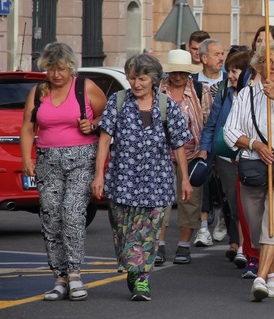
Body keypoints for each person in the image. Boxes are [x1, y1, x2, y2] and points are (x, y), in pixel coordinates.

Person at [91, 53, 193, 301]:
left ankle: (141, 279)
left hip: (157, 183)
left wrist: (185, 179)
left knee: (148, 232)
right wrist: (99, 175)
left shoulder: (167, 105)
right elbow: (104, 140)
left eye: (142, 78)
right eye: (133, 78)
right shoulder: (118, 101)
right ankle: (133, 269)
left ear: (154, 79)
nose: (136, 83)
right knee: (124, 230)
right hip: (122, 179)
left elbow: (179, 144)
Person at [19, 42, 107, 301]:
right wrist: (27, 157)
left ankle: (76, 273)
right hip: (48, 159)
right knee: (51, 217)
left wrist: (91, 124)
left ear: (71, 67)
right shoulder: (38, 92)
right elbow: (27, 127)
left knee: (72, 213)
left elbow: (107, 118)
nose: (56, 75)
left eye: (60, 69)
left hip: (82, 157)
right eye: (50, 69)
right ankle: (60, 277)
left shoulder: (85, 87)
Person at [223, 40, 274, 302]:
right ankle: (273, 276)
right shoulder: (245, 94)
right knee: (258, 228)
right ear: (259, 65)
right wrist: (255, 144)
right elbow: (230, 131)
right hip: (252, 166)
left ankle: (259, 278)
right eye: (268, 61)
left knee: (273, 221)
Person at [155, 50, 211, 265]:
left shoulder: (200, 90)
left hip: (192, 153)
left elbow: (207, 122)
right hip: (162, 155)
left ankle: (184, 246)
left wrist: (205, 150)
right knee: (161, 200)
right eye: (174, 72)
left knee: (190, 200)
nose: (177, 76)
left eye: (182, 72)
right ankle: (159, 246)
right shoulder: (158, 89)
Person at [198, 49, 251, 267]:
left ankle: (249, 246)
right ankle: (240, 246)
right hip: (225, 158)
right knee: (235, 204)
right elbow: (211, 124)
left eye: (235, 71)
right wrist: (204, 149)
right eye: (228, 71)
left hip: (250, 156)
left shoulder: (255, 93)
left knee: (250, 205)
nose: (230, 75)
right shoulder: (223, 92)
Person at [192, 38, 226, 248]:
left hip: (224, 142)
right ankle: (203, 228)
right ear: (203, 58)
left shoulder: (230, 80)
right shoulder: (193, 82)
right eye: (216, 54)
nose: (221, 58)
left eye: (222, 54)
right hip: (198, 142)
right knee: (202, 184)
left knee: (223, 185)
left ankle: (223, 215)